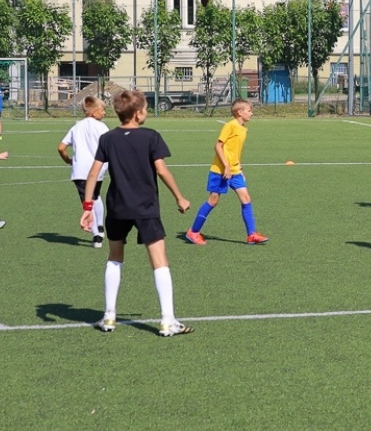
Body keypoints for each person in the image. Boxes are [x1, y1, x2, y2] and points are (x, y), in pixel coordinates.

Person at [80, 89, 194, 335]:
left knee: (114, 257)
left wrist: (88, 208)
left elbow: (93, 174)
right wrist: (180, 197)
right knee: (159, 261)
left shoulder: (108, 138)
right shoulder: (151, 137)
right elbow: (162, 171)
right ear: (139, 113)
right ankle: (168, 320)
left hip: (117, 207)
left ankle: (109, 317)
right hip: (145, 208)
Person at [185, 98, 268, 245]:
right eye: (249, 111)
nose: (252, 113)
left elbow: (234, 151)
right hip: (220, 170)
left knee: (246, 199)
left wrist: (239, 168)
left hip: (235, 171)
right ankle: (193, 232)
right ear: (239, 112)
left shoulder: (243, 129)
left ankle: (251, 235)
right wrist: (226, 167)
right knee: (213, 200)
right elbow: (218, 146)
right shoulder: (230, 126)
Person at [59, 95, 111, 248]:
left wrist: (68, 160)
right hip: (99, 168)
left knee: (88, 202)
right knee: (95, 196)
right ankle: (99, 227)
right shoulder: (102, 127)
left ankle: (96, 236)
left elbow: (61, 147)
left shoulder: (77, 127)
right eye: (102, 110)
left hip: (81, 171)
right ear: (93, 112)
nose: (104, 113)